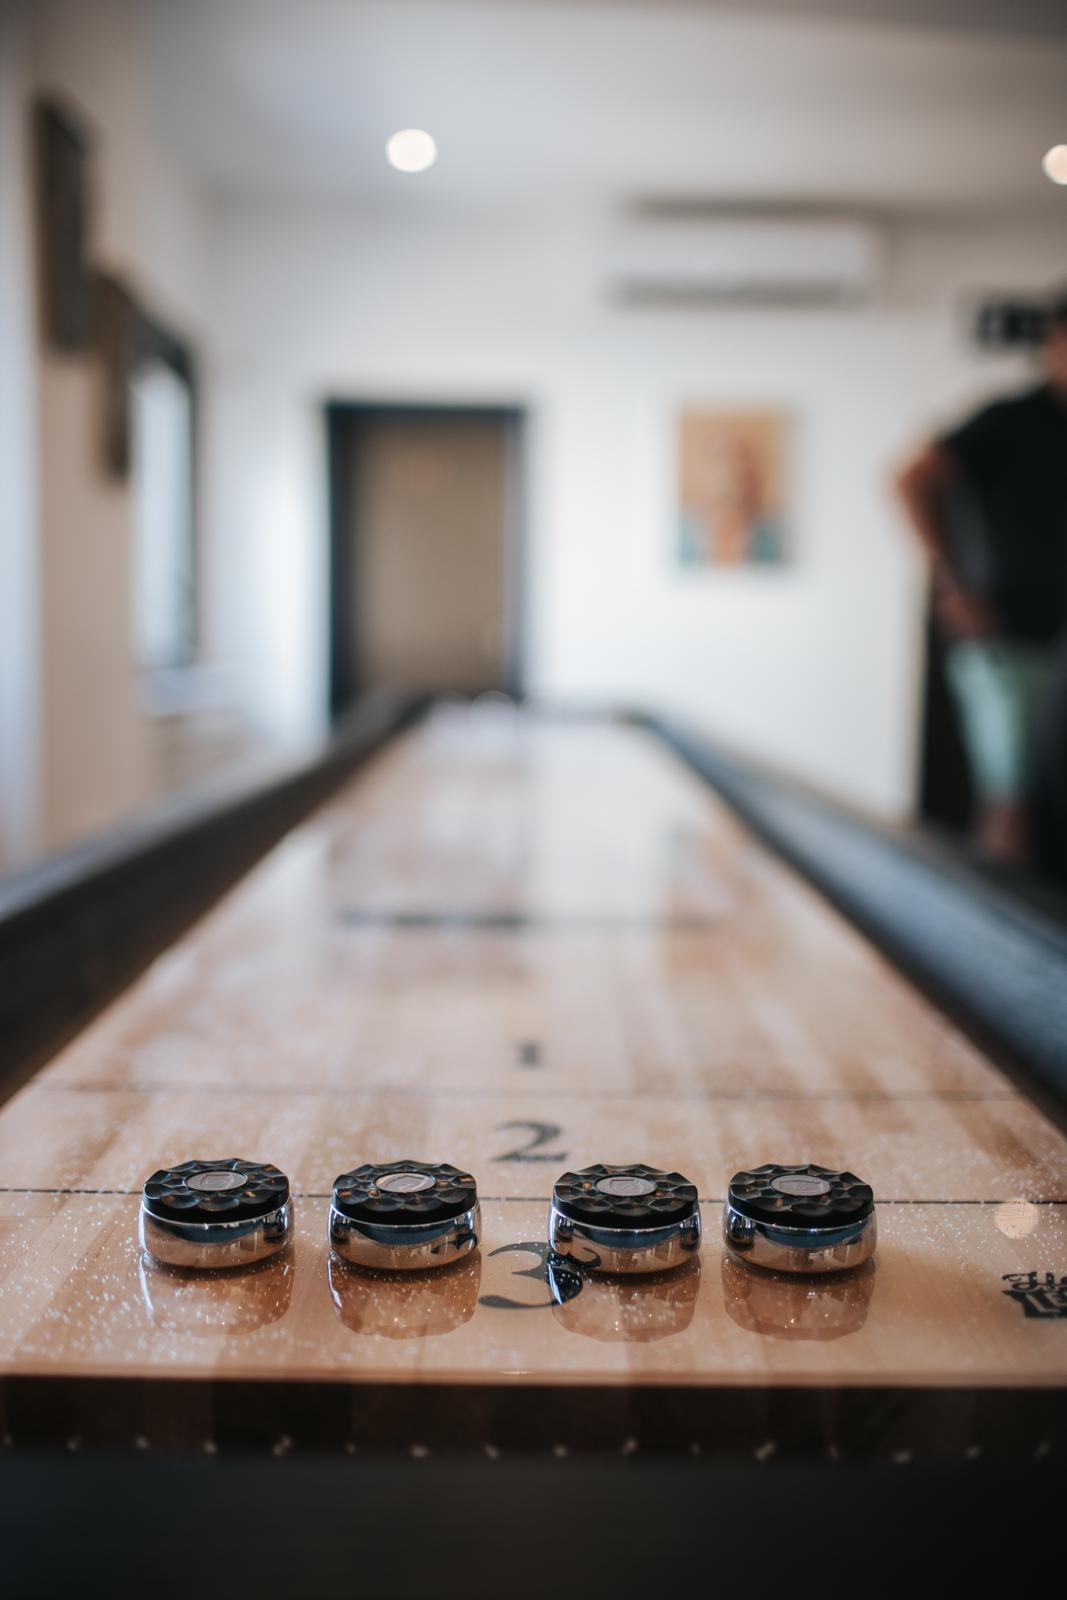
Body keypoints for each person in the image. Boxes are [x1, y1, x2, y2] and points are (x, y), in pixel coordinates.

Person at [896, 292, 1067, 868]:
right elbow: (910, 477)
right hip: (1006, 633)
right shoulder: (1011, 421)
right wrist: (949, 583)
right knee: (1010, 796)